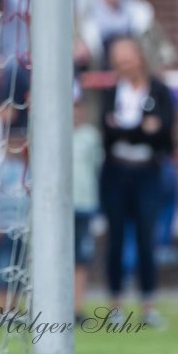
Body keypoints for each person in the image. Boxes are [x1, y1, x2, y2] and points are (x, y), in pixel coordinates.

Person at [100, 35, 174, 327]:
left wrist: (129, 131)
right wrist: (142, 130)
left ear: (140, 57)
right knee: (115, 239)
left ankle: (148, 306)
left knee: (147, 238)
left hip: (147, 173)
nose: (122, 65)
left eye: (126, 58)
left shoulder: (159, 90)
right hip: (115, 172)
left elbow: (163, 132)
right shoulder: (110, 92)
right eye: (117, 60)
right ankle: (115, 306)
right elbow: (107, 132)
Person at [73, 93, 103, 323]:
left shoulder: (90, 137)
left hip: (84, 204)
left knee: (81, 258)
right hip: (53, 209)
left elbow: (96, 166)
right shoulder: (50, 134)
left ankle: (77, 308)